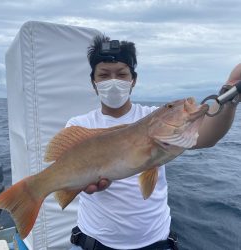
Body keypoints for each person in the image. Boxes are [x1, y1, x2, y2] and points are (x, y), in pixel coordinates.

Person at [67, 34, 240, 250]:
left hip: (155, 243)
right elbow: (68, 171)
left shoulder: (150, 116)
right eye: (104, 75)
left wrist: (230, 98)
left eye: (121, 74)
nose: (113, 81)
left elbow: (208, 137)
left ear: (133, 80)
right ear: (94, 82)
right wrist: (75, 185)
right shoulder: (78, 125)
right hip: (93, 243)